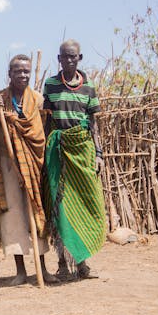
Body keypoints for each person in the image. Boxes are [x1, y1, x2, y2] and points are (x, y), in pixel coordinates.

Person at [0, 54, 59, 286]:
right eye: (17, 71)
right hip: (8, 165)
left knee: (37, 214)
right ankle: (20, 271)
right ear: (9, 74)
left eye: (26, 71)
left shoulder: (38, 100)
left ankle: (43, 268)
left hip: (33, 164)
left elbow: (42, 134)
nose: (22, 75)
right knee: (14, 217)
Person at [42, 39, 106, 279]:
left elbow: (94, 124)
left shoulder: (88, 87)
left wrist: (98, 154)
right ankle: (61, 263)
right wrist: (44, 154)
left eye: (73, 56)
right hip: (57, 152)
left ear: (80, 58)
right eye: (64, 57)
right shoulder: (50, 84)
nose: (69, 60)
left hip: (82, 151)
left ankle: (82, 263)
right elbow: (47, 122)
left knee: (86, 205)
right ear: (59, 59)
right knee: (59, 207)